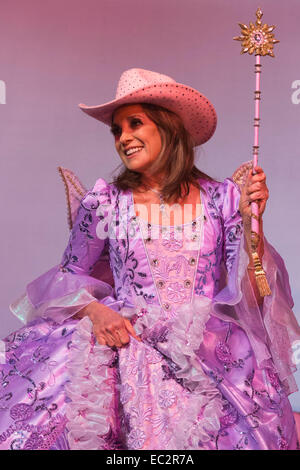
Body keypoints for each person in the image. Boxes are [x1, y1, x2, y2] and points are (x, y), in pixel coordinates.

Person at [1, 68, 300, 450]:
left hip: (206, 353)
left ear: (168, 127)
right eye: (117, 130)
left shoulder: (222, 199)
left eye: (135, 124)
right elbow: (68, 277)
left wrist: (250, 223)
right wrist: (96, 313)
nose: (123, 138)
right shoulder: (105, 203)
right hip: (123, 349)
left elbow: (250, 293)